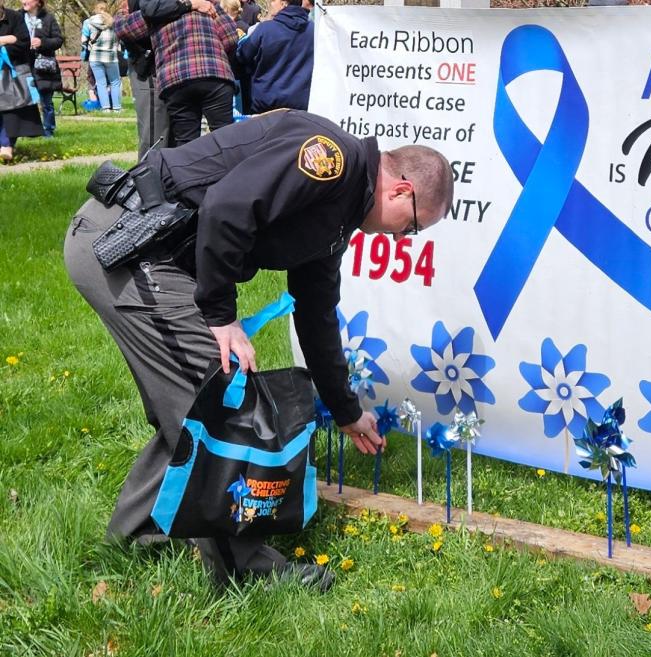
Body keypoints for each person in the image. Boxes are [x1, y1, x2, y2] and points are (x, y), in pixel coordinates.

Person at [63, 109, 454, 588]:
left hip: (146, 250)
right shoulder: (332, 160)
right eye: (411, 227)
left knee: (193, 404)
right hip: (126, 246)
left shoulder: (338, 215)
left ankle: (138, 538)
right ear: (401, 191)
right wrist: (219, 315)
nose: (403, 239)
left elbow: (316, 316)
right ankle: (247, 568)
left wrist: (346, 409)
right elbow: (228, 205)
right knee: (220, 399)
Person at [115, 0, 238, 146]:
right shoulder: (207, 4)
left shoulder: (157, 11)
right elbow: (231, 37)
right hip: (215, 74)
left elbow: (124, 29)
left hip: (176, 78)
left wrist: (122, 14)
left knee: (187, 144)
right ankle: (233, 167)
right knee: (226, 139)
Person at [235, 0, 311, 113]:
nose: (270, 4)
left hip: (267, 106)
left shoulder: (265, 29)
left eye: (273, 0)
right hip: (302, 106)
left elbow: (243, 56)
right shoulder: (314, 30)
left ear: (283, 3)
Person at [0, 0, 42, 160]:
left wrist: (3, 43)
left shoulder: (14, 17)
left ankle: (6, 145)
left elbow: (23, 43)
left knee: (11, 112)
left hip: (12, 72)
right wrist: (8, 38)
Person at [19, 0, 62, 137]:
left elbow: (58, 40)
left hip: (42, 65)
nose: (23, 1)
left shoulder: (48, 18)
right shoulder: (17, 17)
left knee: (46, 101)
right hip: (23, 64)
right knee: (24, 100)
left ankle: (48, 130)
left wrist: (42, 42)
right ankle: (29, 131)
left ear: (38, 2)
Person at [82, 2, 122, 112]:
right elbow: (119, 39)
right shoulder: (114, 22)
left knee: (100, 83)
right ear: (107, 9)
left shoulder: (88, 22)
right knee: (115, 82)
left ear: (96, 9)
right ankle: (117, 108)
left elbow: (83, 41)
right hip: (111, 57)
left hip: (95, 57)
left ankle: (105, 108)